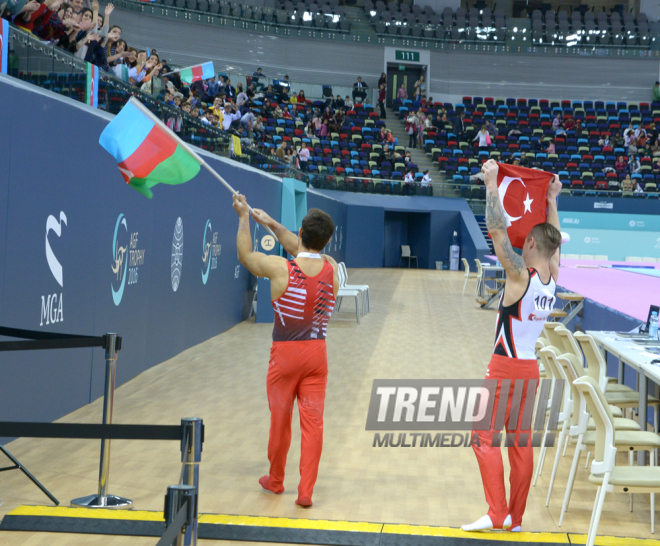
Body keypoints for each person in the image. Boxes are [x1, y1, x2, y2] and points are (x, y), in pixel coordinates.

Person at [463, 160, 562, 533]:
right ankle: (515, 519)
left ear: (532, 243)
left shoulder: (520, 275)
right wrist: (551, 198)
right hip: (530, 369)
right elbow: (552, 239)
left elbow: (497, 231)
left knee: (483, 437)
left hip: (504, 367)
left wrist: (491, 185)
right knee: (520, 445)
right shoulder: (552, 278)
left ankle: (496, 512)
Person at [233, 197, 338, 508]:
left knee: (280, 420)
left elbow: (245, 255)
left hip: (285, 356)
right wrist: (270, 222)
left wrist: (244, 217)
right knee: (313, 423)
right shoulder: (332, 268)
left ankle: (276, 481)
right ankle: (305, 491)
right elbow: (303, 250)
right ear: (328, 240)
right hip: (318, 355)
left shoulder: (280, 269)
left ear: (302, 230)